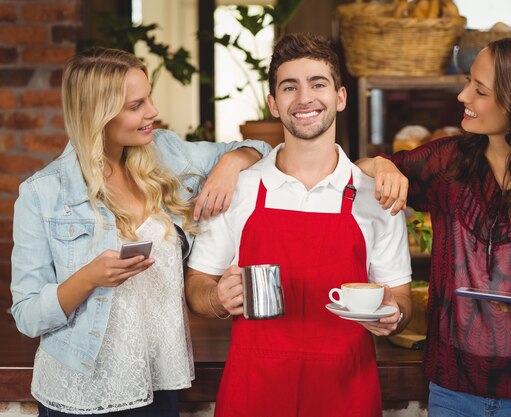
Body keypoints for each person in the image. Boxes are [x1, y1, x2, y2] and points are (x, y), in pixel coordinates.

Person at [358, 36, 511, 416]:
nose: (462, 96)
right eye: (467, 84)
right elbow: (357, 171)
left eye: (479, 89)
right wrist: (381, 165)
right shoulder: (449, 162)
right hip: (453, 390)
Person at [10, 47, 271, 417]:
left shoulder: (166, 152)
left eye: (148, 97)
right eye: (136, 105)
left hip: (156, 383)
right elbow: (28, 315)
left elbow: (262, 148)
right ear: (98, 115)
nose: (153, 111)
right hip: (80, 392)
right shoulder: (43, 193)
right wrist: (88, 278)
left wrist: (231, 162)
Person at [185, 32, 412, 417]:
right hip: (254, 392)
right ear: (274, 104)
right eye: (290, 87)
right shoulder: (238, 188)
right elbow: (197, 288)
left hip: (346, 393)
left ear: (340, 97)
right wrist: (218, 299)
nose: (304, 98)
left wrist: (394, 317)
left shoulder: (376, 194)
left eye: (317, 84)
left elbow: (402, 301)